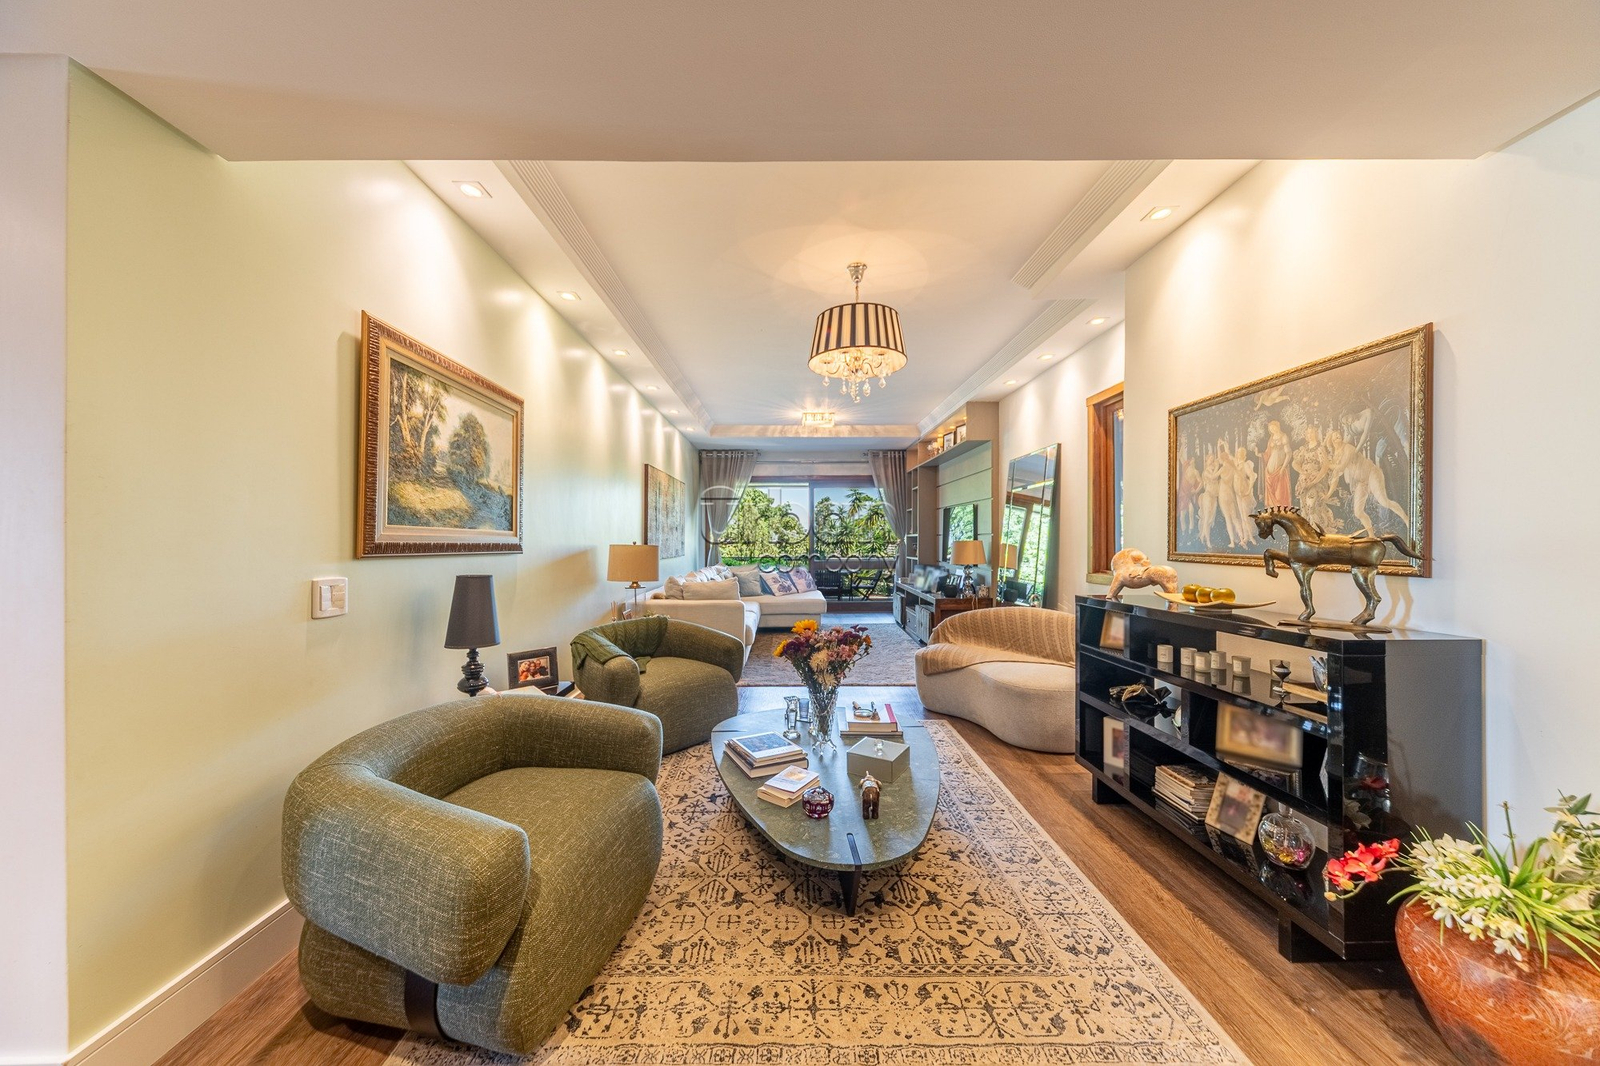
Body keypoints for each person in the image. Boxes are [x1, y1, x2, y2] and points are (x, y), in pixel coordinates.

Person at [1261, 419, 1292, 509]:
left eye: (1274, 428)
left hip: (1279, 470)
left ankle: (1281, 512)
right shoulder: (1271, 438)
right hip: (1269, 470)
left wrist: (1283, 467)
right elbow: (1268, 453)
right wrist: (1259, 454)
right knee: (1271, 495)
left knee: (1279, 494)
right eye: (1271, 429)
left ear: (1278, 426)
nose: (1273, 430)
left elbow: (1289, 454)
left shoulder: (1283, 437)